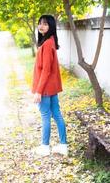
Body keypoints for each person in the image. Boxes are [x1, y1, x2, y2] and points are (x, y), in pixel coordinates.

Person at [32, 15, 68, 156]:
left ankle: (45, 146)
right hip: (51, 87)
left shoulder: (47, 44)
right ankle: (63, 145)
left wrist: (38, 91)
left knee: (45, 116)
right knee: (56, 114)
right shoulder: (50, 41)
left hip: (45, 88)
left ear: (51, 26)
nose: (41, 26)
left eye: (45, 24)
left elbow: (46, 70)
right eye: (40, 23)